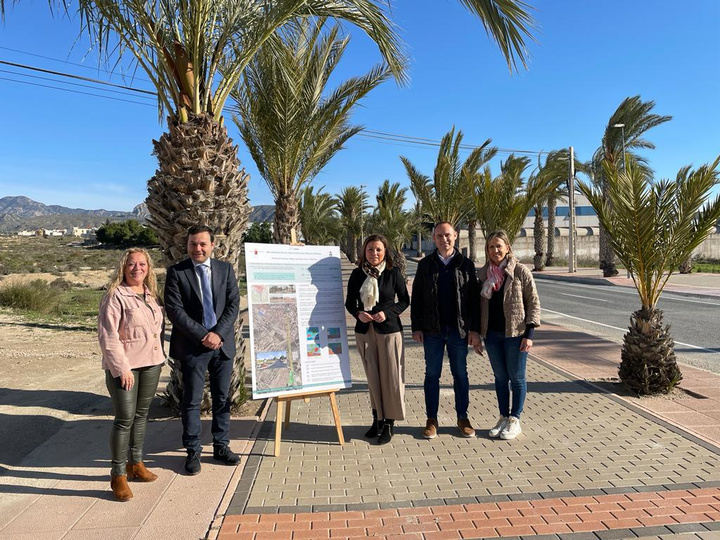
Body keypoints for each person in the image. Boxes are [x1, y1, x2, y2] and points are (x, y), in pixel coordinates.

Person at [164, 225, 240, 475]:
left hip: (222, 344)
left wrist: (217, 334)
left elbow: (233, 303)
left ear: (212, 245)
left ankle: (221, 446)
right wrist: (203, 335)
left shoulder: (224, 270)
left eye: (202, 244)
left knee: (221, 398)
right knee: (192, 401)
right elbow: (175, 311)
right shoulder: (177, 272)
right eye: (193, 244)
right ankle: (193, 451)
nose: (197, 248)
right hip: (193, 347)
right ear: (187, 246)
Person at [98, 248, 165, 501]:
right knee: (124, 418)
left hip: (151, 364)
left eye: (142, 264)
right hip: (126, 368)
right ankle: (118, 475)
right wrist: (122, 368)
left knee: (141, 416)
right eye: (131, 264)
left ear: (148, 267)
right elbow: (108, 336)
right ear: (123, 268)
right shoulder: (115, 296)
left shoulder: (151, 295)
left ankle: (136, 464)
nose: (137, 268)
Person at [411, 222, 481, 439]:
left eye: (448, 235)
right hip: (432, 331)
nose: (445, 239)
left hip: (458, 331)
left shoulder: (466, 264)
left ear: (456, 236)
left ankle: (463, 417)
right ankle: (431, 419)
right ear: (434, 238)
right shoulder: (425, 265)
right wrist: (416, 327)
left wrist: (475, 330)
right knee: (432, 374)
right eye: (440, 236)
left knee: (460, 374)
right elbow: (417, 299)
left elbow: (474, 301)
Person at [475, 230, 541, 440]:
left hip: (516, 334)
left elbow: (533, 303)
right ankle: (503, 417)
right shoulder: (483, 274)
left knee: (517, 377)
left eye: (499, 246)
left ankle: (515, 419)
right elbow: (477, 307)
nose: (495, 250)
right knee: (500, 378)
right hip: (492, 335)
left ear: (507, 248)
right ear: (487, 250)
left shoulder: (520, 271)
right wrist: (477, 333)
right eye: (491, 247)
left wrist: (529, 334)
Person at [345, 235, 410, 445]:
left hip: (389, 332)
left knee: (390, 378)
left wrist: (388, 313)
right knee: (373, 377)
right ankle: (377, 420)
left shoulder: (393, 273)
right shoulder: (356, 275)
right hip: (365, 332)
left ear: (385, 252)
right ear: (364, 251)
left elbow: (404, 301)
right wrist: (358, 313)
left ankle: (389, 423)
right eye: (370, 249)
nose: (374, 253)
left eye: (378, 250)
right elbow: (350, 303)